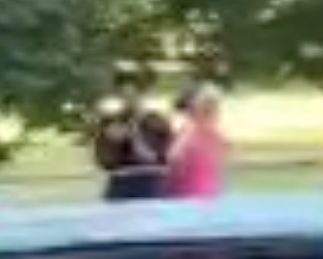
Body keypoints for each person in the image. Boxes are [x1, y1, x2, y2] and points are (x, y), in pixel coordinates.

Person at [92, 63, 173, 201]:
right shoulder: (109, 122)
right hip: (120, 186)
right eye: (123, 94)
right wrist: (109, 142)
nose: (129, 99)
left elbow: (156, 158)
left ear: (142, 95)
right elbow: (104, 161)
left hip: (150, 186)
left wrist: (133, 133)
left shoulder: (157, 122)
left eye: (134, 93)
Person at [167, 83, 228, 199]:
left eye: (216, 107)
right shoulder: (188, 133)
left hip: (209, 196)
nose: (217, 112)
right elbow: (174, 158)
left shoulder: (215, 135)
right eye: (210, 108)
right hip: (190, 198)